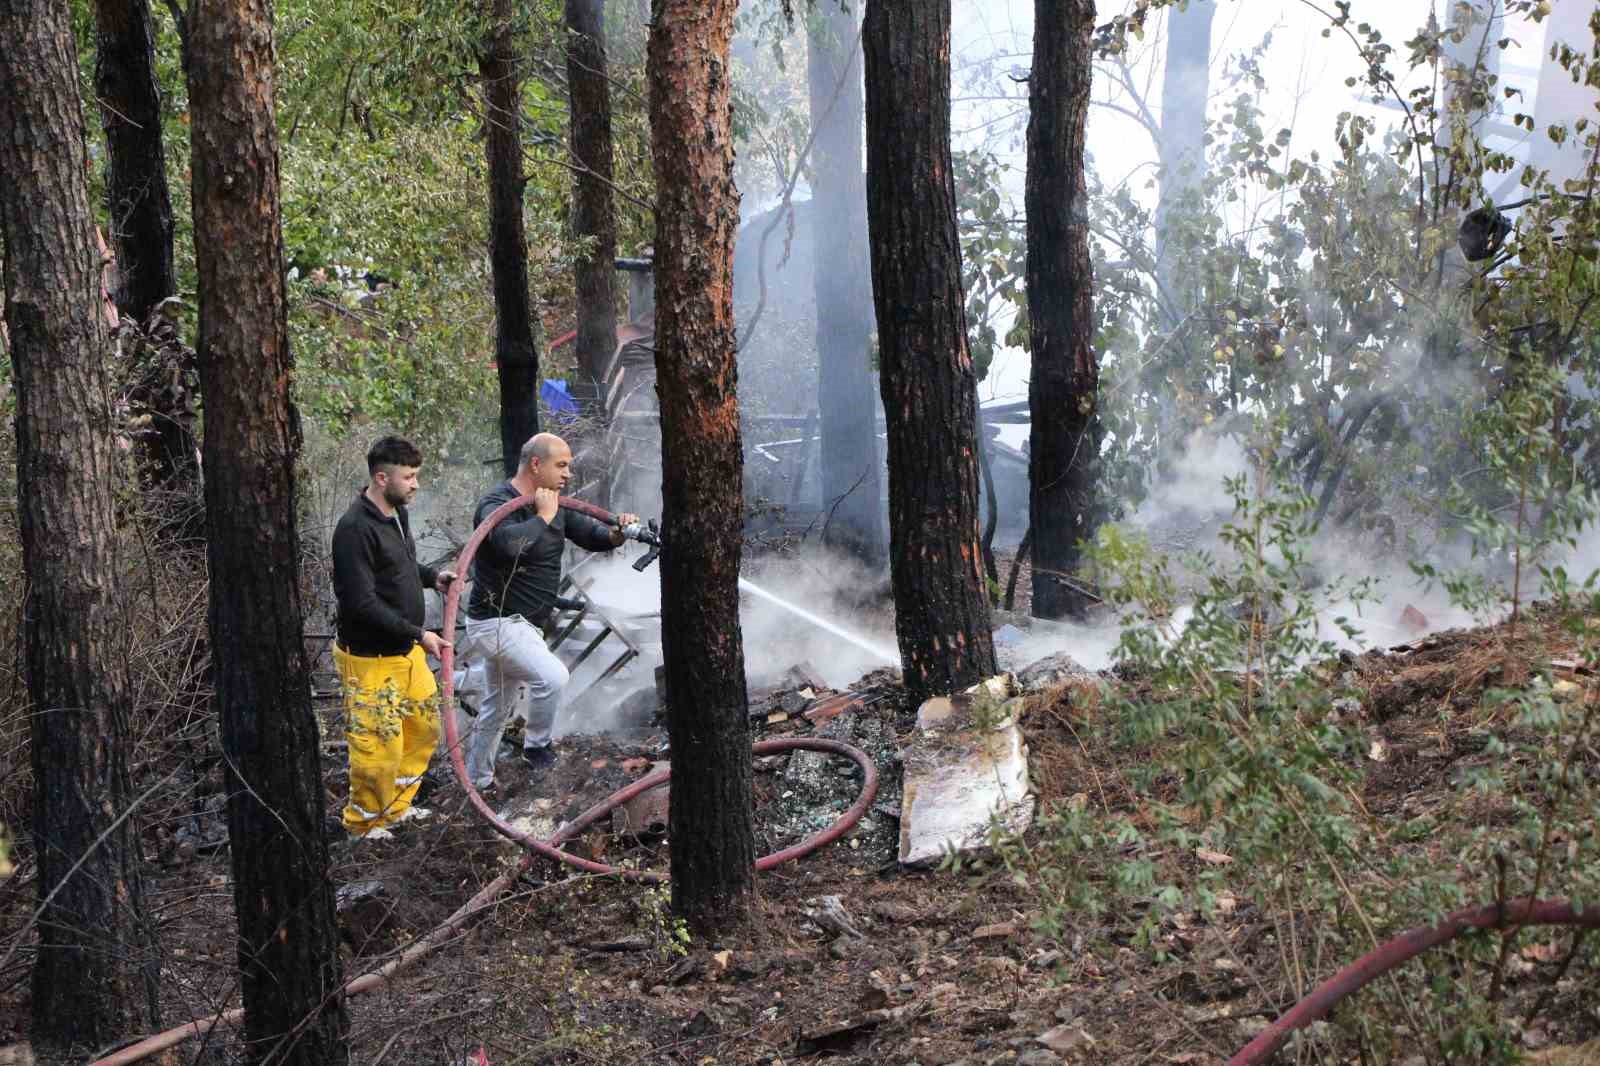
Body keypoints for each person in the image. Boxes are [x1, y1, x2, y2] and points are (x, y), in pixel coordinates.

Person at [454, 433, 636, 790]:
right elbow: (507, 546)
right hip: (497, 622)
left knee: (496, 707)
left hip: (524, 625)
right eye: (561, 465)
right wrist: (543, 516)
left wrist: (617, 533)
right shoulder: (496, 502)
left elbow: (593, 536)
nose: (568, 473)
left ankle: (478, 780)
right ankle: (536, 748)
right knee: (552, 677)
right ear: (536, 465)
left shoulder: (556, 505)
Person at [331, 436, 456, 838]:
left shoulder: (395, 515)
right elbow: (360, 603)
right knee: (376, 750)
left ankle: (397, 808)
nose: (416, 484)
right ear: (382, 478)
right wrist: (420, 634)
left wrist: (431, 577)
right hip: (370, 660)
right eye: (409, 476)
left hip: (406, 653)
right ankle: (364, 825)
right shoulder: (353, 530)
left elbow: (399, 564)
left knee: (422, 730)